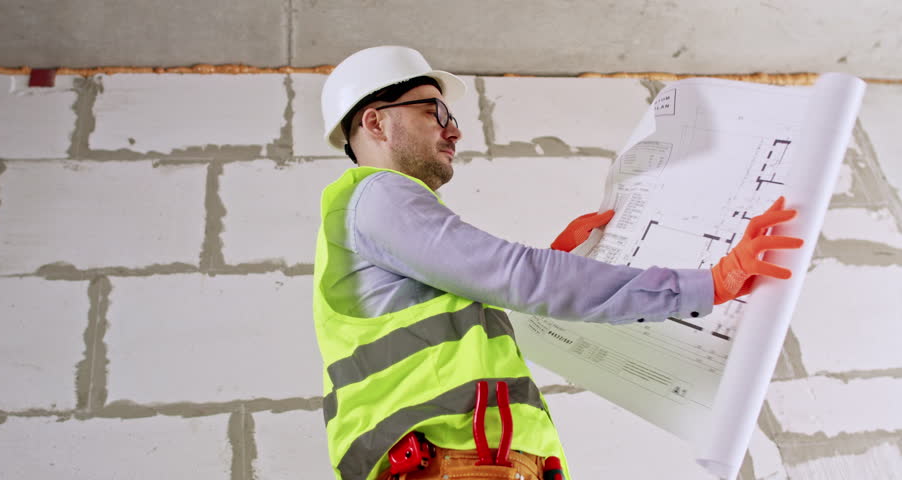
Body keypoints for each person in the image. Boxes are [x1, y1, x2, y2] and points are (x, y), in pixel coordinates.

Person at [314, 46, 803, 480]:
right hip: (450, 465)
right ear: (376, 121)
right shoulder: (376, 194)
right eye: (435, 110)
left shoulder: (377, 222)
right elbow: (516, 275)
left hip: (474, 463)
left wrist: (561, 257)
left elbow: (467, 322)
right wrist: (709, 285)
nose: (455, 129)